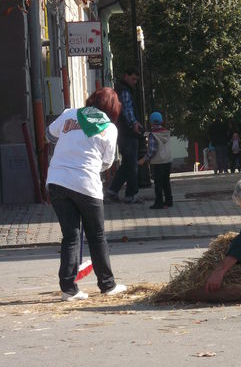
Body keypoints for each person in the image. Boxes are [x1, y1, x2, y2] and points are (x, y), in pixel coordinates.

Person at [46, 88, 127, 301]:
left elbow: (50, 133)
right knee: (96, 235)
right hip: (86, 184)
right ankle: (107, 285)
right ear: (112, 108)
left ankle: (68, 289)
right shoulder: (108, 128)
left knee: (71, 236)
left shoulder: (70, 113)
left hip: (56, 180)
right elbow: (108, 162)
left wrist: (69, 146)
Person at [106, 68, 144, 203]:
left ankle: (112, 190)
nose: (135, 82)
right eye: (133, 78)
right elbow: (127, 109)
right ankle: (131, 195)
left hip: (122, 132)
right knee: (132, 164)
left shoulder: (120, 89)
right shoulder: (125, 91)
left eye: (136, 80)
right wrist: (134, 123)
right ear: (126, 76)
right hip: (127, 133)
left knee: (127, 163)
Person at [138, 112, 173, 210]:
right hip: (168, 160)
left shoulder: (153, 135)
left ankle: (159, 202)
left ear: (150, 122)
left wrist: (144, 159)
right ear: (162, 121)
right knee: (166, 182)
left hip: (158, 162)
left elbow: (152, 150)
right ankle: (169, 201)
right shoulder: (166, 132)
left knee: (158, 184)